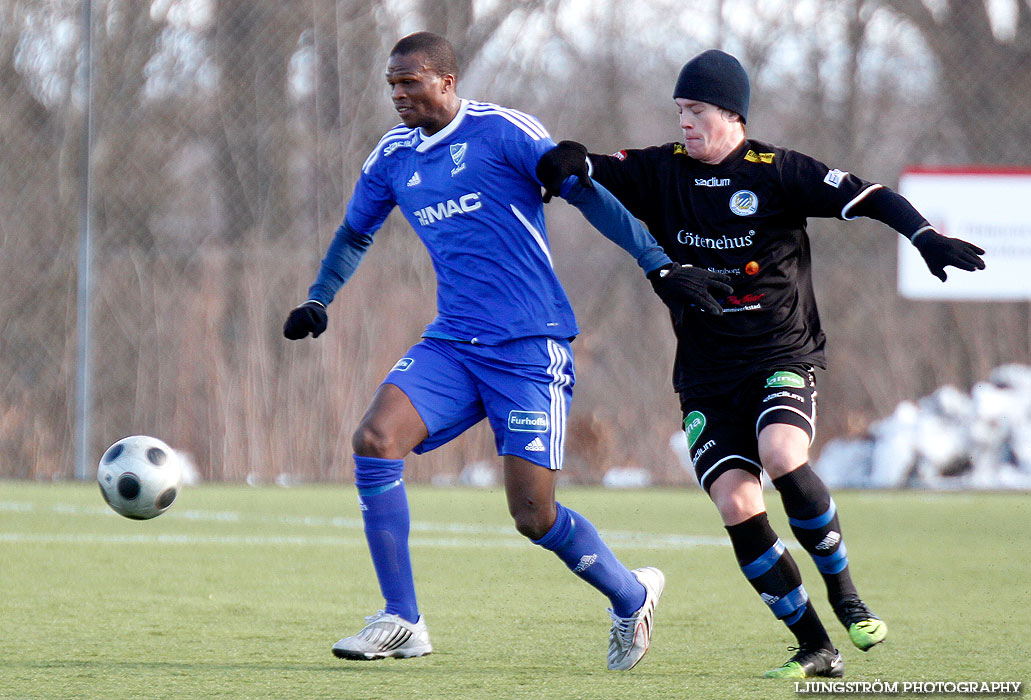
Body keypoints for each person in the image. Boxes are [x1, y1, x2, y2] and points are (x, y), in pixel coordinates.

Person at [282, 32, 731, 671]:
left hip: (529, 346)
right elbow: (355, 232)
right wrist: (320, 298)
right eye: (391, 85)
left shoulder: (502, 131)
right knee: (376, 439)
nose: (398, 95)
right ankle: (402, 619)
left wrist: (658, 266)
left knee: (532, 514)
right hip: (453, 342)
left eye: (409, 82)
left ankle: (631, 594)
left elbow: (587, 193)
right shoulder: (392, 157)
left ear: (446, 80)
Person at [537, 49, 985, 679]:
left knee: (781, 456)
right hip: (704, 376)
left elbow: (871, 196)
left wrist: (924, 235)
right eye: (679, 111)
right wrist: (567, 154)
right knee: (737, 503)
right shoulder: (661, 170)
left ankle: (847, 595)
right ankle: (814, 646)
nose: (685, 122)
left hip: (780, 353)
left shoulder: (778, 171)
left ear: (731, 114)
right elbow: (595, 166)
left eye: (696, 110)